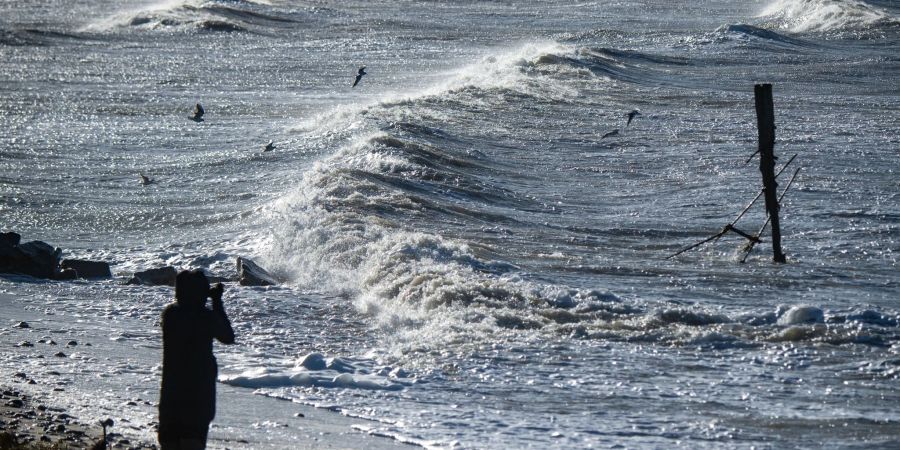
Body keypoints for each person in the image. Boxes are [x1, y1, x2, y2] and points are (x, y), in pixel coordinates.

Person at [158, 270, 235, 450]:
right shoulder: (205, 317)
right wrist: (216, 301)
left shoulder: (170, 314)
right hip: (197, 397)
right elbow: (228, 336)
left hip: (171, 395)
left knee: (170, 443)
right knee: (192, 442)